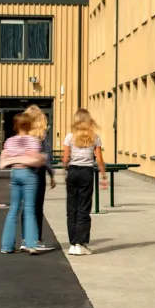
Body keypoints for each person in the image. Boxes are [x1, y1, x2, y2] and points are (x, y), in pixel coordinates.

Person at [0, 113, 46, 255]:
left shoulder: (10, 141)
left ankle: (6, 246)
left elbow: (3, 158)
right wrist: (41, 159)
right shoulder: (33, 141)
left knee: (13, 209)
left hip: (15, 172)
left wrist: (15, 159)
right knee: (29, 209)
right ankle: (31, 243)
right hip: (29, 174)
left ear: (16, 126)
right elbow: (35, 158)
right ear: (29, 125)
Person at [63, 109, 106, 256]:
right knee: (84, 208)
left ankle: (73, 244)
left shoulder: (70, 137)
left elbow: (65, 158)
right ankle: (79, 242)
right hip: (86, 172)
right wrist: (104, 175)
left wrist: (65, 170)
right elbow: (99, 159)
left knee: (71, 208)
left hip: (73, 171)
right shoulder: (94, 137)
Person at [23, 105, 56, 252]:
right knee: (37, 207)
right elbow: (46, 157)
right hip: (38, 172)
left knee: (27, 206)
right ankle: (37, 239)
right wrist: (51, 174)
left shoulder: (22, 136)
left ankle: (25, 239)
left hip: (24, 172)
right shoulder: (42, 136)